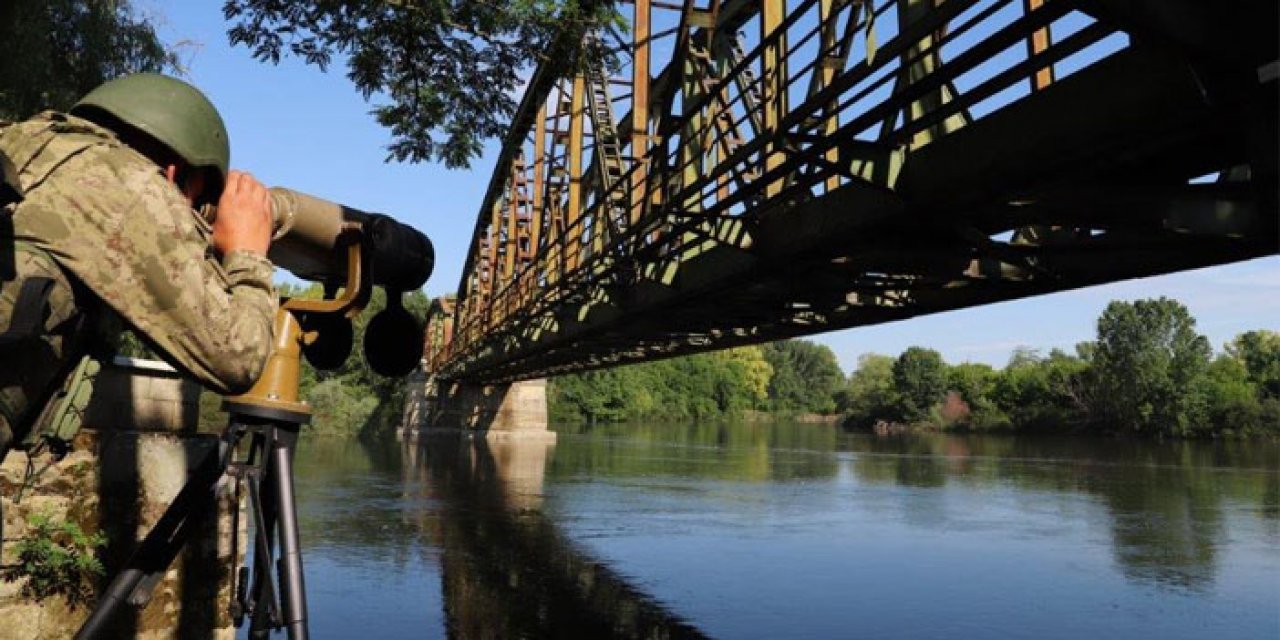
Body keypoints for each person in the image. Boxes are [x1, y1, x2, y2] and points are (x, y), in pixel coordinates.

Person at [0, 73, 278, 463]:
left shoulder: (21, 139)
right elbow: (237, 357)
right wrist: (248, 252)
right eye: (196, 203)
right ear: (174, 175)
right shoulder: (132, 187)